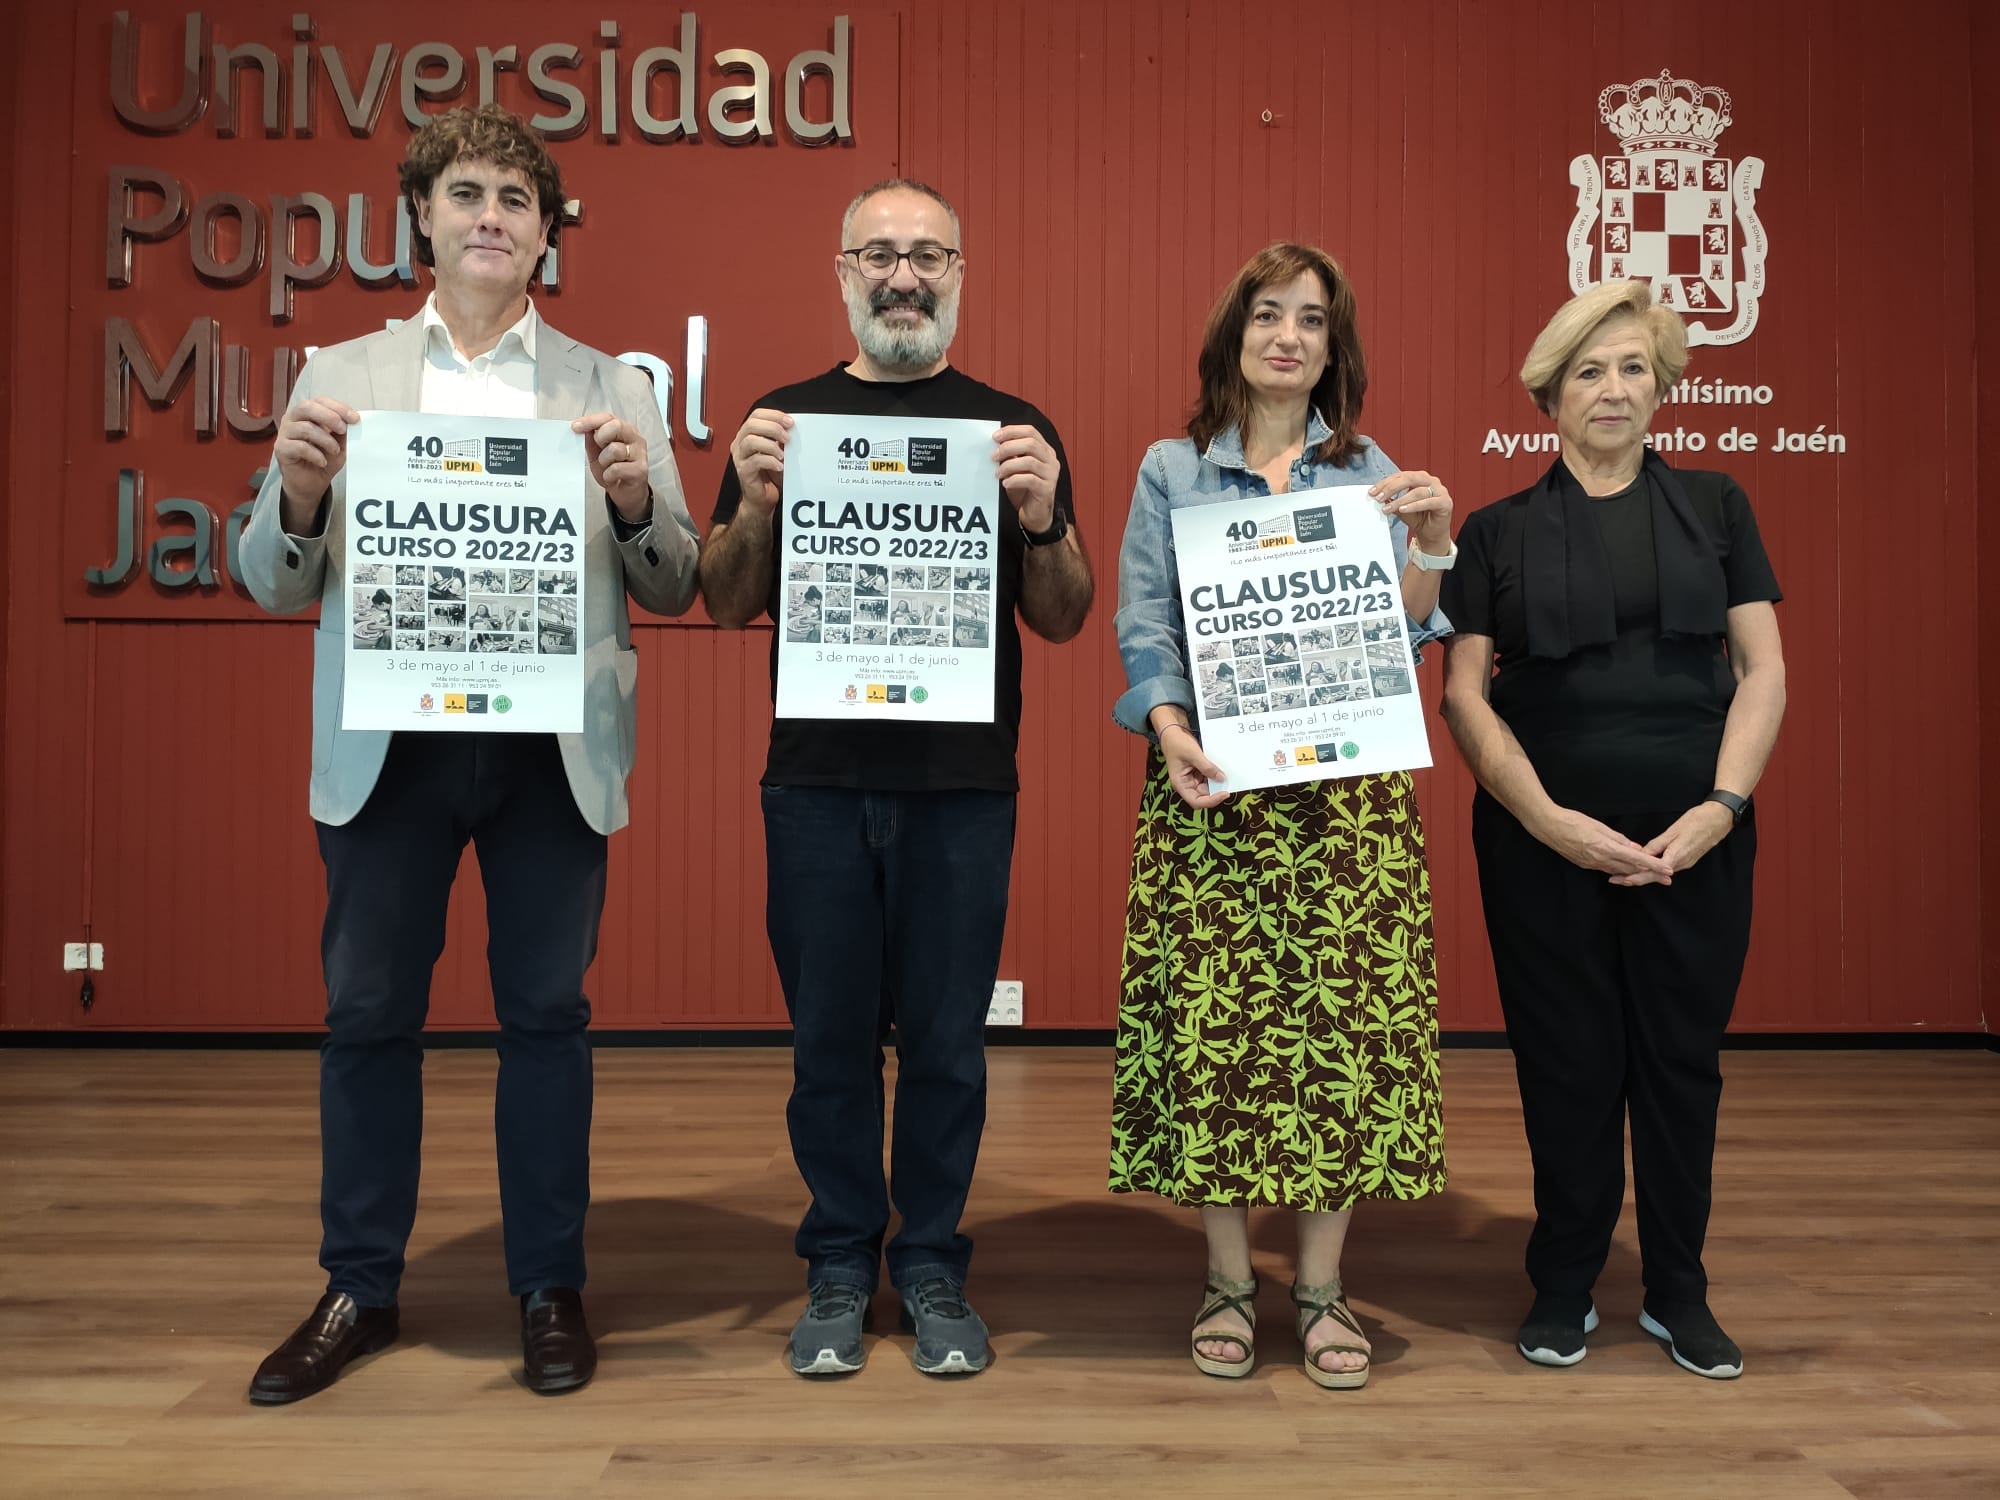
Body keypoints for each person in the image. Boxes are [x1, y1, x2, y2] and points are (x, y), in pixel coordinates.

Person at [237, 104, 700, 1403]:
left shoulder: (613, 388)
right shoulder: (339, 369)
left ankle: (549, 1285)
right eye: (467, 194)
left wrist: (632, 503)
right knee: (368, 1017)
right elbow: (271, 579)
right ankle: (359, 1287)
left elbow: (673, 580)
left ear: (546, 234)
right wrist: (297, 494)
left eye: (515, 197)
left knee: (546, 1021)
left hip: (550, 752)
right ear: (423, 220)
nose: (491, 214)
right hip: (393, 750)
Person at [700, 178, 1094, 1378]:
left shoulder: (1010, 427)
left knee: (943, 1046)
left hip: (962, 785)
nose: (902, 276)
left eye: (927, 254)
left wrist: (1041, 520)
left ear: (961, 273)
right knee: (825, 1042)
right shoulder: (784, 419)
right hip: (814, 781)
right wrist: (753, 498)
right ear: (842, 273)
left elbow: (1065, 618)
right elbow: (721, 599)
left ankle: (925, 1258)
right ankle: (834, 1261)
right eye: (878, 254)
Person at [1109, 243, 1455, 1389]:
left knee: (1337, 1037)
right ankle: (1222, 1279)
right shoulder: (1171, 469)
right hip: (1211, 790)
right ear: (1234, 335)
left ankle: (1316, 1288)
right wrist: (1165, 730)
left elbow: (1405, 636)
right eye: (1268, 315)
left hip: (1341, 806)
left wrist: (1432, 546)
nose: (1286, 337)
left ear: (1332, 349)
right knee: (1216, 1038)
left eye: (1310, 320)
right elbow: (1145, 625)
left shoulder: (1368, 473)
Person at [1437, 279, 1785, 1379]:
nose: (1611, 389)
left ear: (1663, 386)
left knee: (1679, 1065)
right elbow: (1462, 695)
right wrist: (1543, 819)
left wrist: (1720, 808)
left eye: (1632, 367)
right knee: (1566, 1063)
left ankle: (1678, 1292)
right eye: (1587, 370)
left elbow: (1762, 671)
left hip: (1695, 838)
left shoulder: (1719, 506)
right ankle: (1563, 1282)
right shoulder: (1491, 532)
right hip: (1540, 843)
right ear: (1548, 392)